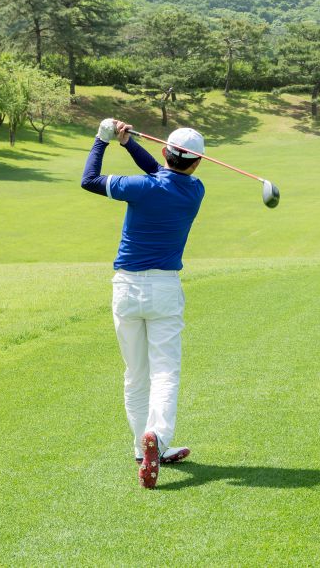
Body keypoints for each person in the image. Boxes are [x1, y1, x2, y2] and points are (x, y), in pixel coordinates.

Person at [80, 118, 206, 489]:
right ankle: (158, 441)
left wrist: (102, 141)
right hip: (165, 289)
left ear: (166, 151)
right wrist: (128, 143)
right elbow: (163, 175)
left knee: (136, 374)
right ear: (196, 162)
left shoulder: (139, 187)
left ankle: (143, 447)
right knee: (165, 372)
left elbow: (89, 180)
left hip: (127, 288)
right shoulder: (195, 189)